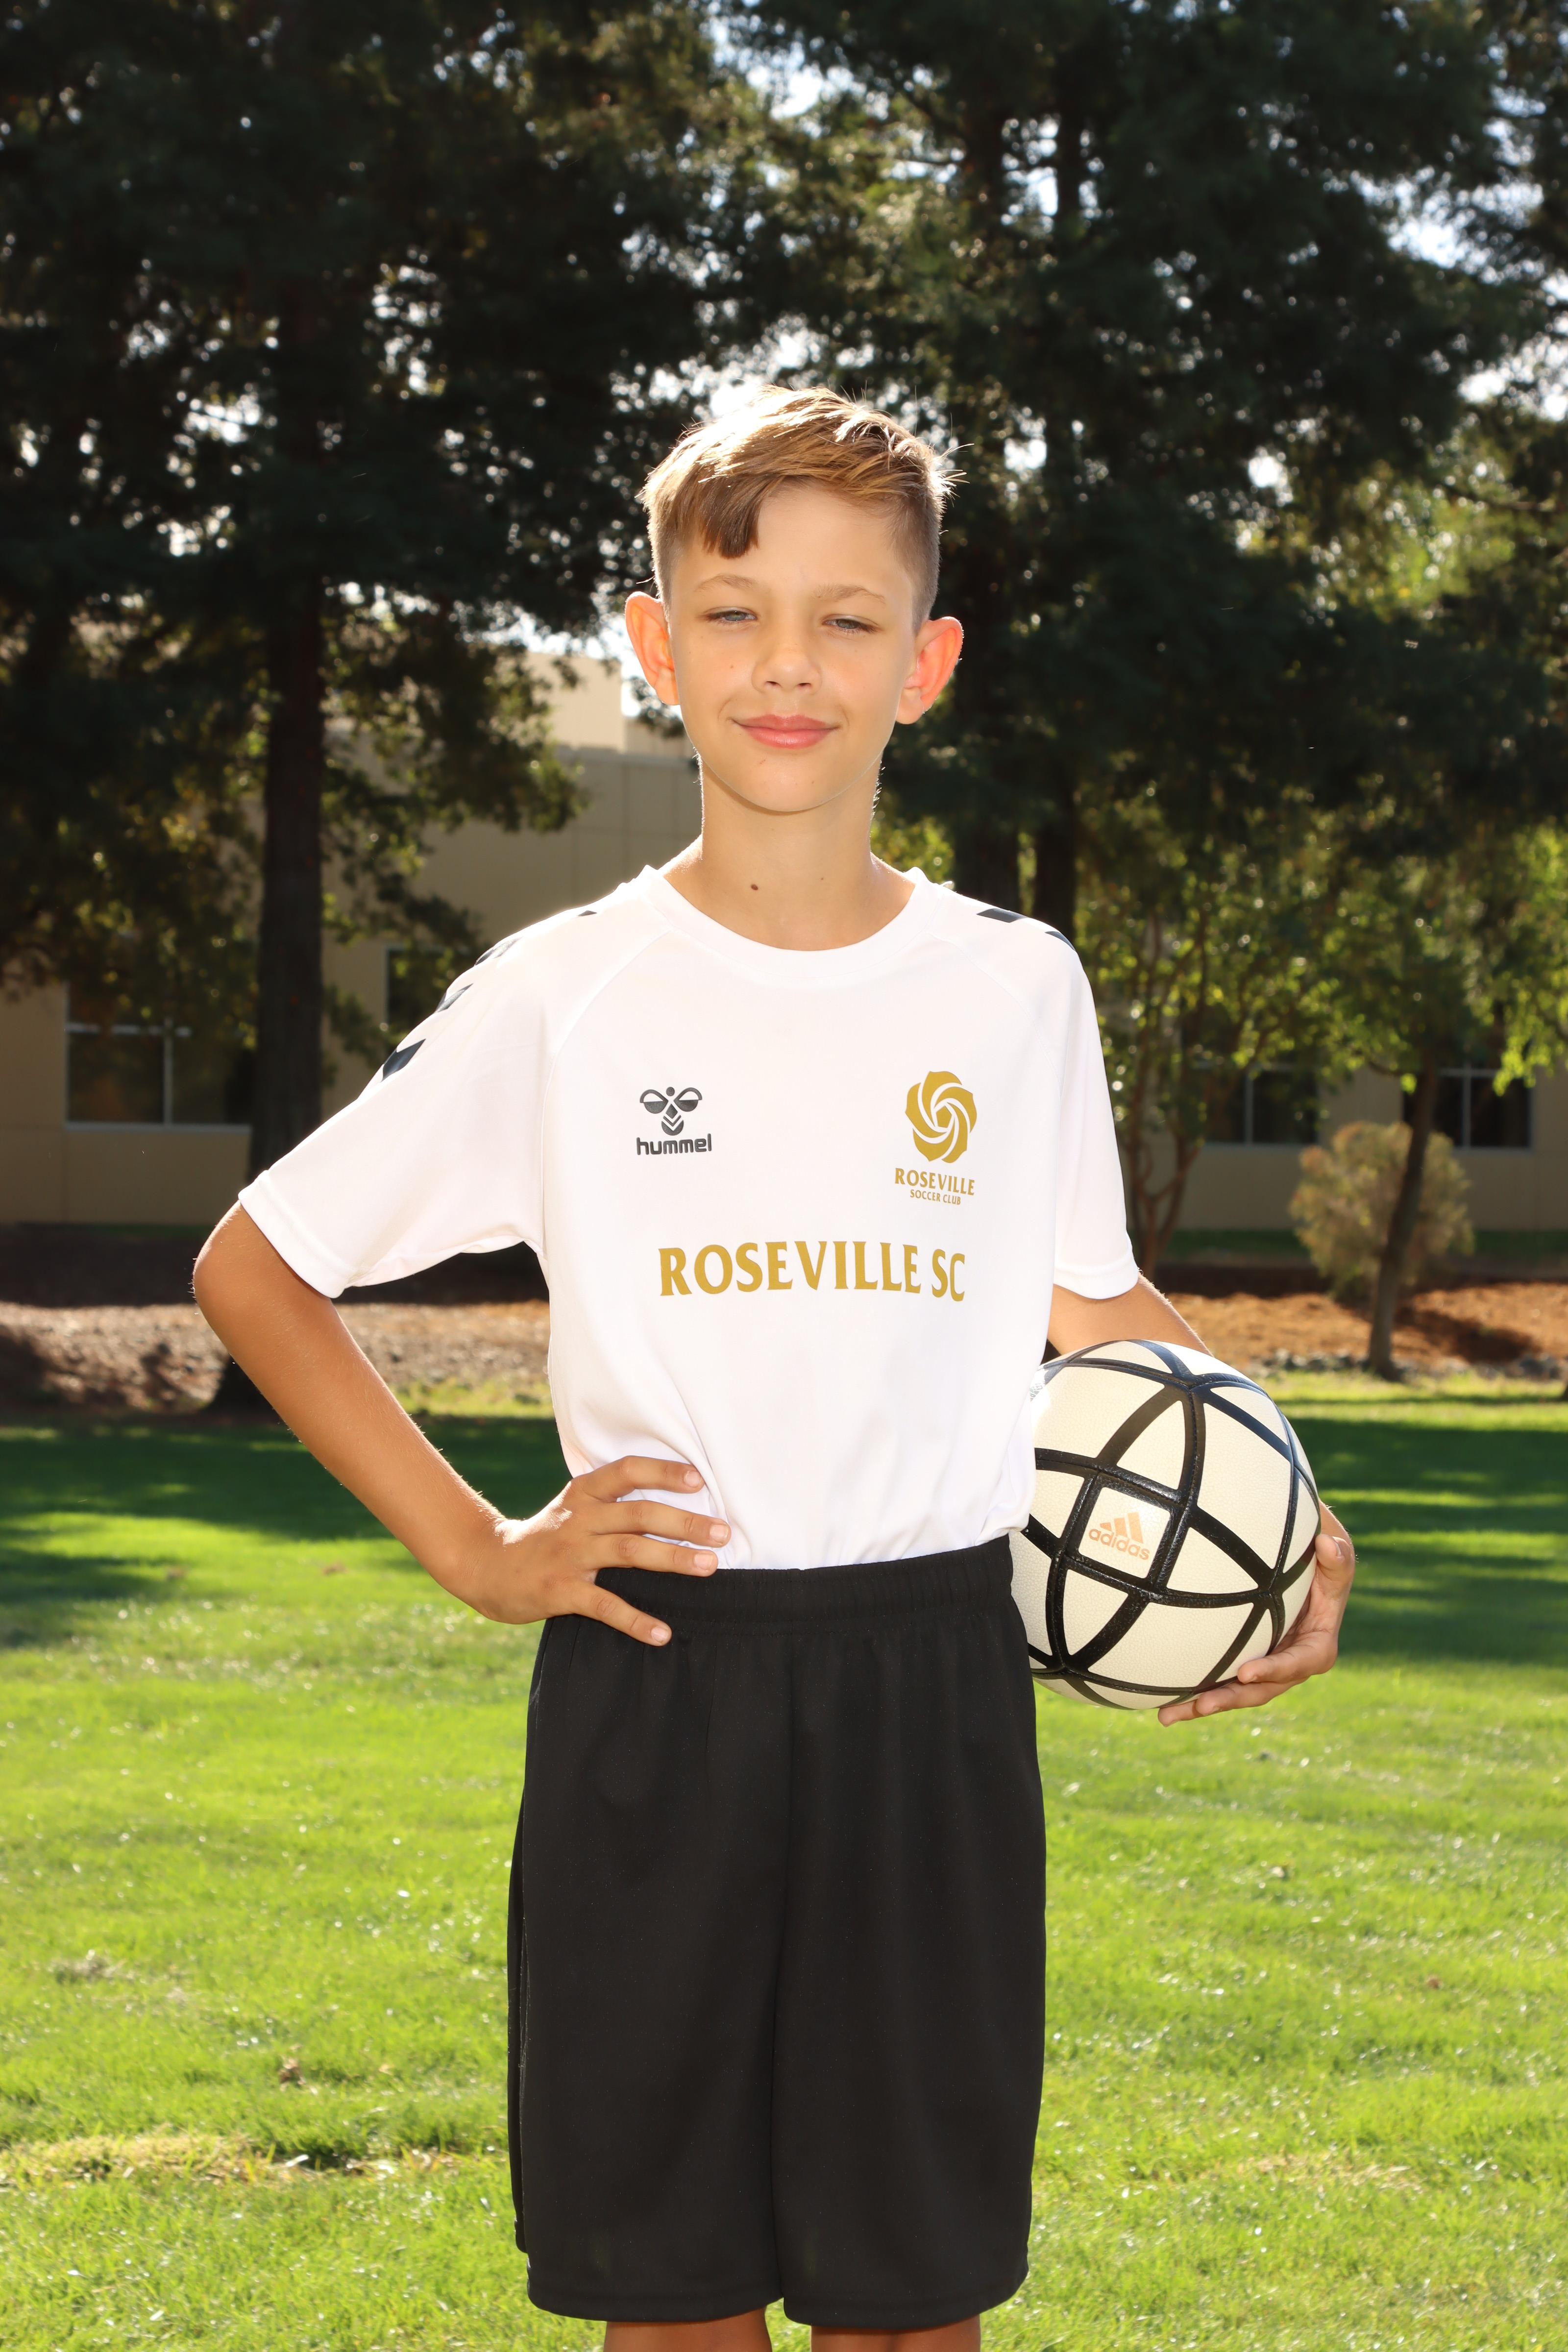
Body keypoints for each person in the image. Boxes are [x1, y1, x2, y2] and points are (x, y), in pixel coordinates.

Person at [194, 387, 1356, 2352]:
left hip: (936, 1682)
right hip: (664, 1676)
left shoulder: (1013, 988)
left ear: (927, 662)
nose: (787, 665)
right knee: (673, 2308)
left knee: (909, 2310)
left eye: (845, 618)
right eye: (733, 616)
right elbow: (257, 1267)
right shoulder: (567, 995)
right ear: (654, 649)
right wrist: (479, 1549)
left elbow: (1093, 1302)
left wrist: (1295, 1515)